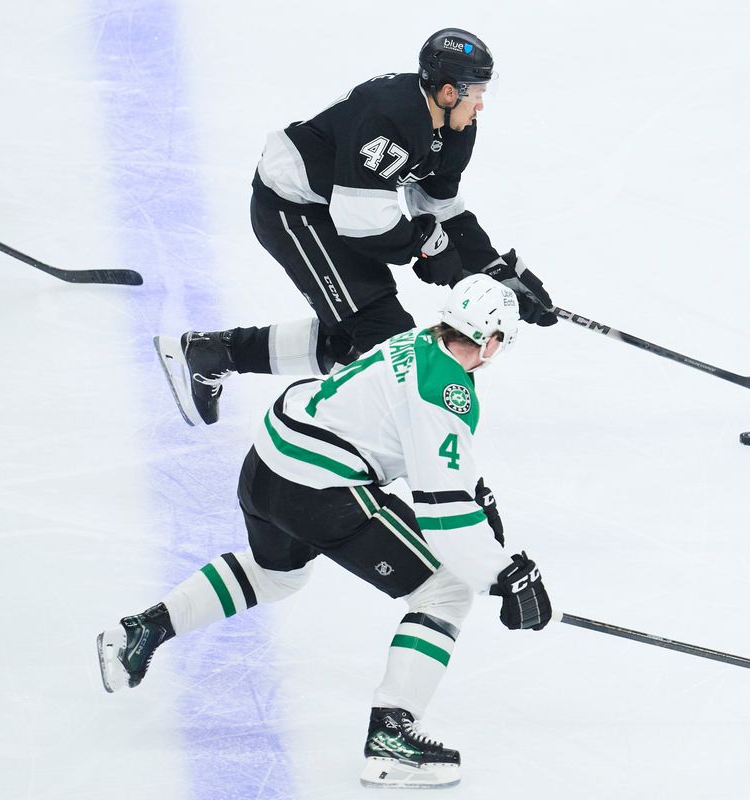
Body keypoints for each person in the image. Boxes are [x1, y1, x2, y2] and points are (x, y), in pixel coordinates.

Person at [99, 275, 553, 789]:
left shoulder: (413, 341)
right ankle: (391, 738)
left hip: (269, 462)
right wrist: (503, 577)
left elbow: (430, 456)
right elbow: (442, 512)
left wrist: (480, 498)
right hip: (319, 489)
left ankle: (143, 629)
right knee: (445, 591)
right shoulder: (446, 389)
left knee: (277, 575)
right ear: (492, 341)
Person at [154, 27, 558, 427]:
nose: (481, 105)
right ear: (449, 93)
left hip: (333, 209)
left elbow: (443, 211)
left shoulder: (455, 130)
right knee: (383, 337)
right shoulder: (391, 116)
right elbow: (363, 223)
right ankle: (328, 446)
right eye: (476, 93)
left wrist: (492, 272)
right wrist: (427, 249)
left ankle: (212, 354)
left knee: (357, 335)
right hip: (293, 209)